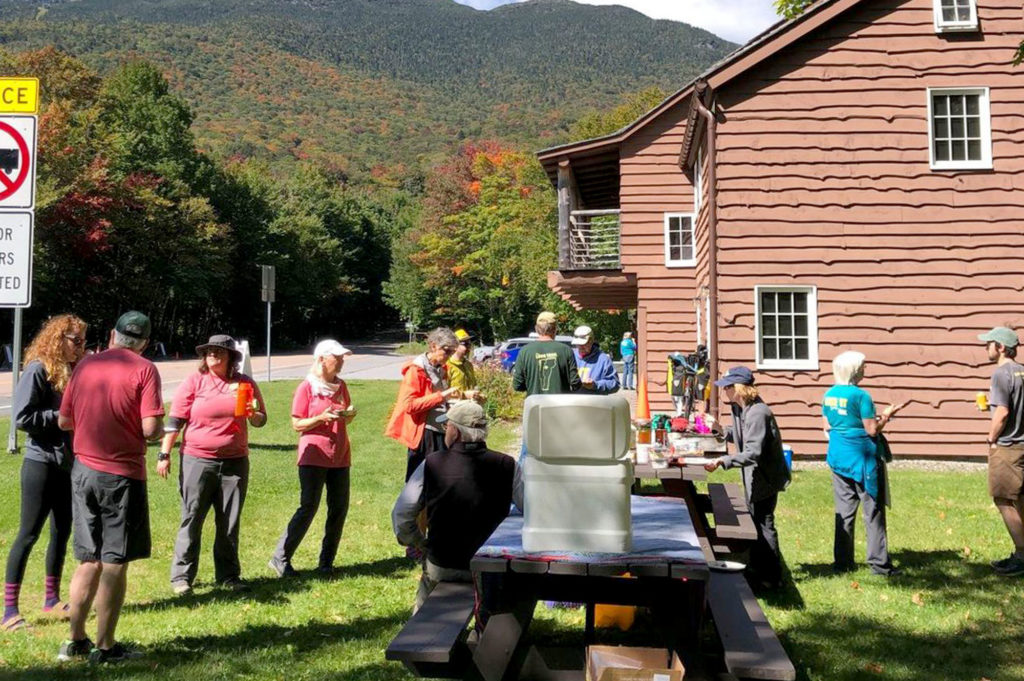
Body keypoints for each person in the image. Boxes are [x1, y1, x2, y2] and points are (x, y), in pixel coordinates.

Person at [56, 311, 164, 663]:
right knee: (115, 560)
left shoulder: (86, 366)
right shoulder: (145, 369)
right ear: (145, 342)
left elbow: (63, 419)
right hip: (122, 474)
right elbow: (150, 429)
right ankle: (105, 646)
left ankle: (75, 640)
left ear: (113, 334)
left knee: (88, 557)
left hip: (83, 470)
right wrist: (163, 428)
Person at [160, 334, 267, 595]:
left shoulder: (245, 383)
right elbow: (175, 420)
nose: (213, 356)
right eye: (209, 352)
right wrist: (164, 454)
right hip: (198, 459)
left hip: (235, 461)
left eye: (219, 352)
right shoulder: (194, 382)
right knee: (192, 516)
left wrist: (254, 413)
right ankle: (182, 577)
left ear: (231, 357)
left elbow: (261, 420)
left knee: (229, 521)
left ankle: (228, 576)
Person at [3, 315, 87, 632]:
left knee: (62, 531)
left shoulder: (71, 370)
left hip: (67, 463)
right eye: (74, 341)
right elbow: (22, 417)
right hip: (40, 463)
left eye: (82, 342)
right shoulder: (39, 369)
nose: (79, 348)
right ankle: (9, 611)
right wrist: (61, 416)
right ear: (58, 339)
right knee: (28, 534)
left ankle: (51, 600)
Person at [391, 400, 514, 612]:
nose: (444, 431)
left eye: (446, 426)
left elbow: (402, 514)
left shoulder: (432, 463)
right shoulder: (507, 464)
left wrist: (419, 542)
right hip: (489, 566)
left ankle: (422, 627)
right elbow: (528, 509)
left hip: (442, 563)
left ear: (455, 432)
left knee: (424, 606)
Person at [269, 340, 356, 577]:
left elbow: (344, 417)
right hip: (313, 455)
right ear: (321, 359)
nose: (340, 362)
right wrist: (321, 417)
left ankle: (326, 562)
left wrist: (348, 415)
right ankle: (281, 558)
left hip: (340, 455)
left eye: (342, 358)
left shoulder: (341, 386)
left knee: (338, 509)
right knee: (309, 507)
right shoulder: (306, 387)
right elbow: (297, 423)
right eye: (336, 358)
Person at [704, 367, 790, 589]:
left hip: (766, 478)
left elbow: (753, 453)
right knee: (756, 521)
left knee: (764, 523)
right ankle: (758, 568)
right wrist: (719, 429)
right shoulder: (743, 409)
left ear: (738, 389)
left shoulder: (758, 412)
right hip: (755, 477)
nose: (725, 392)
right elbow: (740, 434)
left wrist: (724, 461)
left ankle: (772, 577)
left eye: (727, 387)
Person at [821, 351, 905, 577]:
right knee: (873, 511)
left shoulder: (828, 394)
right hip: (863, 459)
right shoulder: (861, 396)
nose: (865, 370)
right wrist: (886, 416)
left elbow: (827, 425)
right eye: (863, 366)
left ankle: (842, 562)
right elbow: (871, 429)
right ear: (855, 370)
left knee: (844, 511)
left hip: (838, 457)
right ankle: (879, 564)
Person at [385, 327, 461, 481]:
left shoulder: (441, 368)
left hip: (440, 429)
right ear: (433, 346)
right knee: (418, 483)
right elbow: (409, 406)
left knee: (440, 480)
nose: (449, 356)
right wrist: (442, 396)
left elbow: (441, 398)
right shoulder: (416, 370)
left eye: (452, 352)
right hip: (424, 434)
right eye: (447, 351)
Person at [978, 326, 1024, 576]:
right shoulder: (1022, 372)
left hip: (1008, 446)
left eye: (989, 344)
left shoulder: (1000, 374)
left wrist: (991, 437)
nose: (985, 348)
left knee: (1004, 499)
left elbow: (1004, 412)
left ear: (1001, 348)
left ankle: (1021, 555)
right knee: (1019, 499)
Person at [512, 312, 581, 396]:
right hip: (560, 406)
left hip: (535, 405)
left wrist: (533, 385)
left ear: (536, 329)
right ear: (555, 328)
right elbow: (575, 384)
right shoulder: (566, 350)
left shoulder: (524, 351)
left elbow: (517, 385)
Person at [572, 325, 619, 394]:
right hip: (572, 402)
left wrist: (594, 385)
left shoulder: (603, 359)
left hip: (594, 403)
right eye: (578, 344)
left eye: (584, 344)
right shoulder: (570, 356)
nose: (580, 347)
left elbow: (614, 384)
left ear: (591, 341)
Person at [446, 329, 479, 397]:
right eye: (465, 344)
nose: (468, 347)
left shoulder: (468, 365)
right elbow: (444, 392)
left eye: (469, 343)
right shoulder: (447, 366)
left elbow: (474, 385)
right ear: (454, 346)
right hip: (455, 405)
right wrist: (464, 395)